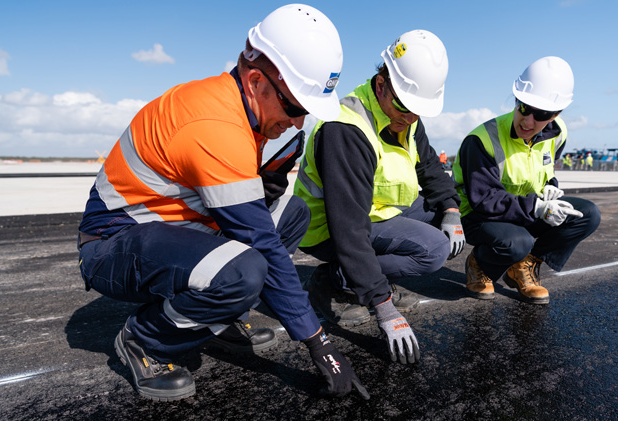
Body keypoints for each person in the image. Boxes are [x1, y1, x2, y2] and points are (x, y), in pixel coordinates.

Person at [77, 4, 369, 401]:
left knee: (293, 213)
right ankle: (145, 339)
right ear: (254, 80)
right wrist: (320, 344)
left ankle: (218, 314)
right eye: (296, 107)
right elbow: (260, 242)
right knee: (243, 271)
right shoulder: (216, 125)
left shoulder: (240, 109)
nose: (299, 121)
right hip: (114, 242)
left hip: (170, 225)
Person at [293, 30, 464, 364]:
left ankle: (362, 278)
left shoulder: (406, 115)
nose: (410, 118)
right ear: (381, 83)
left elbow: (429, 167)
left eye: (418, 111)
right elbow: (349, 227)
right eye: (405, 108)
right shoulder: (346, 128)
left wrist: (452, 209)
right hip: (327, 228)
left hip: (377, 211)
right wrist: (382, 305)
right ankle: (335, 281)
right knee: (434, 250)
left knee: (445, 220)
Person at [453, 56, 601, 305]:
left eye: (541, 114)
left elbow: (544, 168)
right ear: (516, 99)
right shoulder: (482, 139)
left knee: (588, 214)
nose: (528, 121)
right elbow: (485, 199)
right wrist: (537, 207)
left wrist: (551, 188)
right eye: (523, 107)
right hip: (480, 216)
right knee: (517, 241)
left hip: (524, 209)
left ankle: (524, 266)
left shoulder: (559, 133)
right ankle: (480, 262)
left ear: (556, 114)